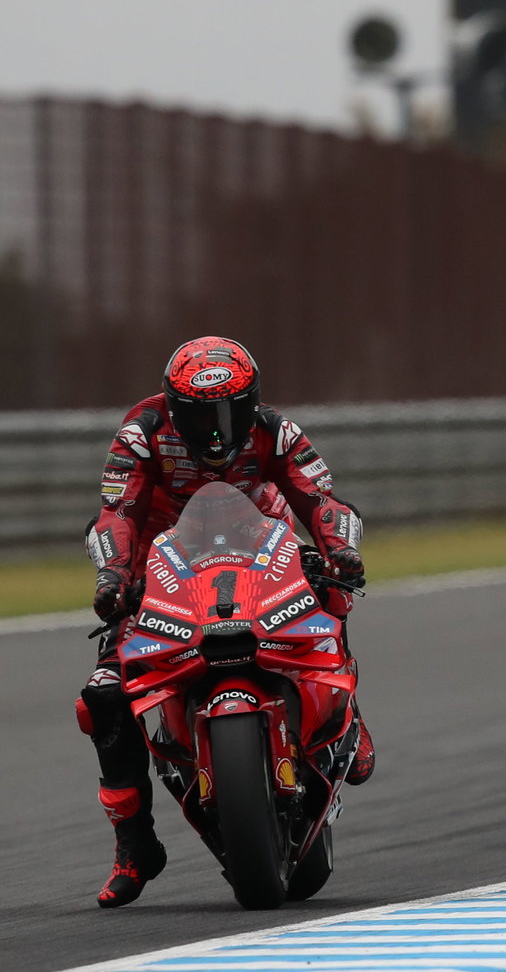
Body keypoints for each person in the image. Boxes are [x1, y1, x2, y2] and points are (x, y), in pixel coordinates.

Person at [79, 336, 372, 908]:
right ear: (172, 404)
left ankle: (350, 711)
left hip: (261, 546)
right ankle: (135, 846)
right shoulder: (141, 432)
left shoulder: (275, 430)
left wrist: (339, 549)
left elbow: (321, 498)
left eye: (230, 410)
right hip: (166, 562)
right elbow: (118, 511)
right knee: (104, 697)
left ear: (252, 401)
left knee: (331, 589)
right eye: (199, 413)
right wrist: (114, 577)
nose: (217, 429)